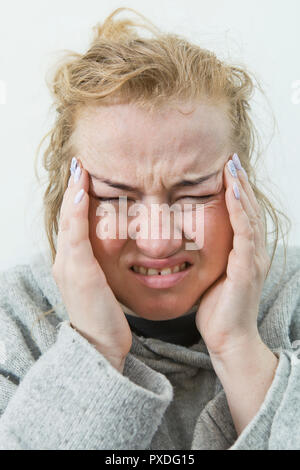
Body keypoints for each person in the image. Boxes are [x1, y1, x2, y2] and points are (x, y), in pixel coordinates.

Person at [0, 7, 299, 450]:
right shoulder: (15, 319)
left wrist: (239, 348)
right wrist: (96, 348)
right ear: (68, 197)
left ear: (242, 187)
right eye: (116, 196)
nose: (158, 240)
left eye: (195, 194)